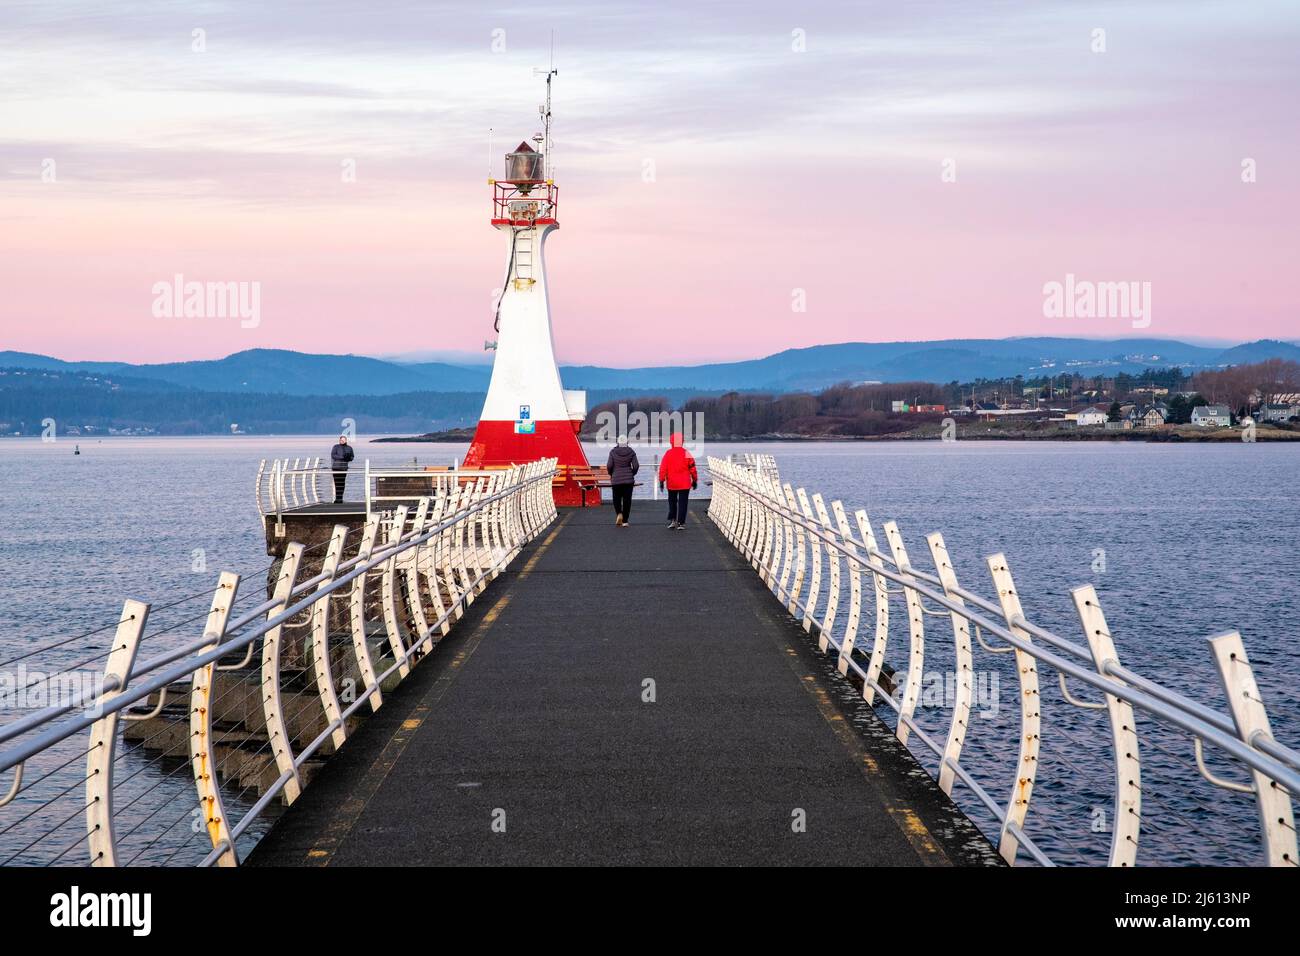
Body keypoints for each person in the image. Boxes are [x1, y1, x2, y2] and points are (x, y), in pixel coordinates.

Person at [658, 432, 698, 530]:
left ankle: (673, 520)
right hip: (684, 483)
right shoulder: (687, 453)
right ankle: (681, 523)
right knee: (683, 503)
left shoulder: (668, 454)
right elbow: (692, 468)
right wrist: (695, 480)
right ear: (682, 441)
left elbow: (663, 468)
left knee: (672, 502)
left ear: (671, 441)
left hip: (672, 483)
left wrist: (661, 480)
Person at [605, 435, 639, 526]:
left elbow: (609, 465)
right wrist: (632, 473)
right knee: (627, 500)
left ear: (618, 442)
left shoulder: (613, 452)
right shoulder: (631, 452)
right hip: (628, 481)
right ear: (627, 442)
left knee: (616, 498)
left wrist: (611, 474)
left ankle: (619, 513)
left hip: (616, 479)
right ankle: (625, 521)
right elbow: (636, 466)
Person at [329, 435, 354, 503]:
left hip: (344, 468)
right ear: (339, 440)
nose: (342, 441)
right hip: (336, 468)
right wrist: (342, 457)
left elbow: (352, 457)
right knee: (337, 483)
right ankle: (337, 498)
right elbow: (333, 455)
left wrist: (348, 458)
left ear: (346, 440)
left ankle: (340, 498)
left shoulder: (349, 448)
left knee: (342, 483)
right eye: (341, 440)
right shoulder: (336, 447)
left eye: (343, 440)